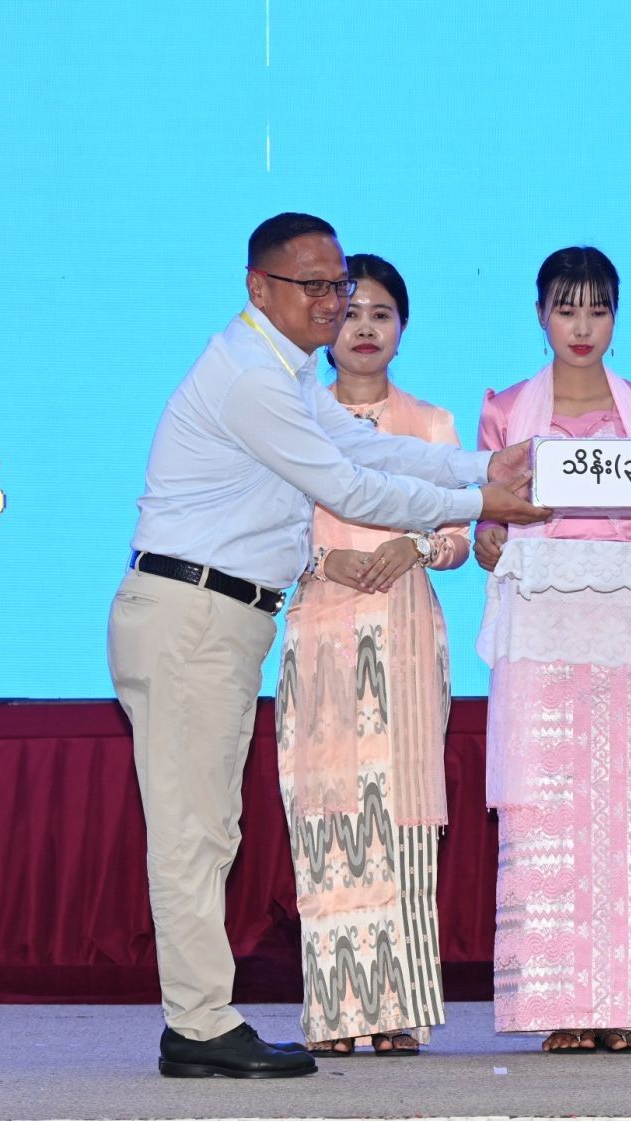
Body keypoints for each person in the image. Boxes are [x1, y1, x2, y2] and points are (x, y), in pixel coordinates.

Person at [108, 213, 545, 1079]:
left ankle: (200, 1020)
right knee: (195, 830)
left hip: (216, 617)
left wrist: (482, 469)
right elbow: (347, 487)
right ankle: (199, 1026)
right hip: (190, 614)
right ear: (257, 286)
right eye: (310, 285)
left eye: (337, 283)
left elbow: (359, 444)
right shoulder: (249, 377)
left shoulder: (288, 370)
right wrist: (482, 502)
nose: (330, 301)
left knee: (209, 826)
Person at [474, 246, 631, 1055]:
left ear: (617, 316)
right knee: (550, 804)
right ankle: (560, 1003)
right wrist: (488, 536)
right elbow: (489, 522)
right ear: (540, 314)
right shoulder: (507, 411)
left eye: (598, 309)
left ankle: (625, 1002)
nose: (582, 326)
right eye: (566, 308)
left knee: (630, 806)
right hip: (544, 630)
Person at [275, 254, 468, 1057]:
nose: (363, 327)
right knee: (328, 820)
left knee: (402, 819)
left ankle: (396, 1009)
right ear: (325, 324)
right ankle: (335, 1012)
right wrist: (326, 560)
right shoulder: (293, 417)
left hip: (405, 635)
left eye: (381, 314)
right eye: (350, 312)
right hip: (323, 634)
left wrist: (416, 545)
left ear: (403, 328)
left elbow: (460, 532)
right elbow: (273, 529)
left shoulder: (431, 423)